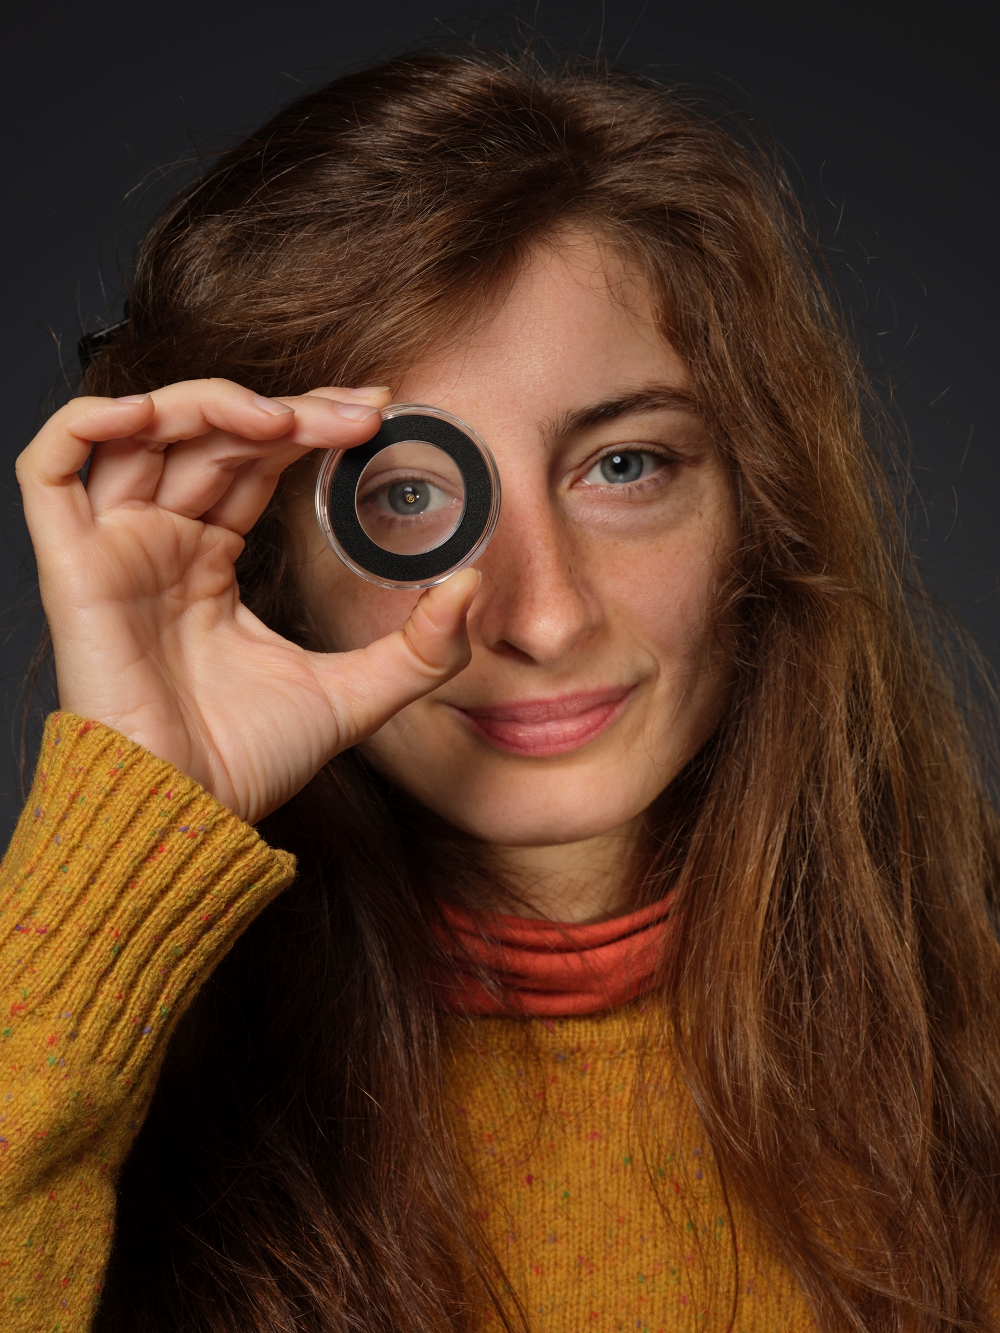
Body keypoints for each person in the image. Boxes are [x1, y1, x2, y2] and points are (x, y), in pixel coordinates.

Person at [2, 47, 999, 1333]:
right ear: (272, 561)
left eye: (625, 464)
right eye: (405, 496)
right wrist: (124, 829)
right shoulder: (101, 1114)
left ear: (756, 510)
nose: (541, 615)